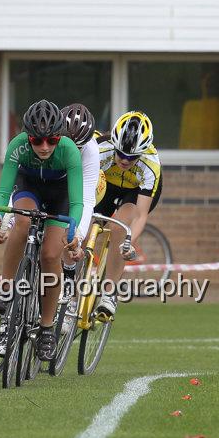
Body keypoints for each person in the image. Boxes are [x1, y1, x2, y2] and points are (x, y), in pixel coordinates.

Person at [0, 100, 84, 361]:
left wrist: (72, 233)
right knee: (23, 221)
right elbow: (4, 192)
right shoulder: (17, 146)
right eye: (36, 141)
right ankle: (6, 290)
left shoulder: (70, 151)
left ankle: (47, 327)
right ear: (27, 137)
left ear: (59, 137)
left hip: (60, 195)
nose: (44, 147)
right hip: (29, 187)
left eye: (51, 140)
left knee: (51, 255)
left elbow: (76, 203)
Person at [94, 111, 163, 317]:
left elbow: (141, 215)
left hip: (134, 192)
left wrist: (130, 241)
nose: (124, 160)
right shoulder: (100, 150)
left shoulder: (150, 165)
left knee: (118, 229)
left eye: (131, 157)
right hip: (105, 184)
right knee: (85, 227)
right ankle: (70, 296)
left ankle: (109, 293)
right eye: (120, 154)